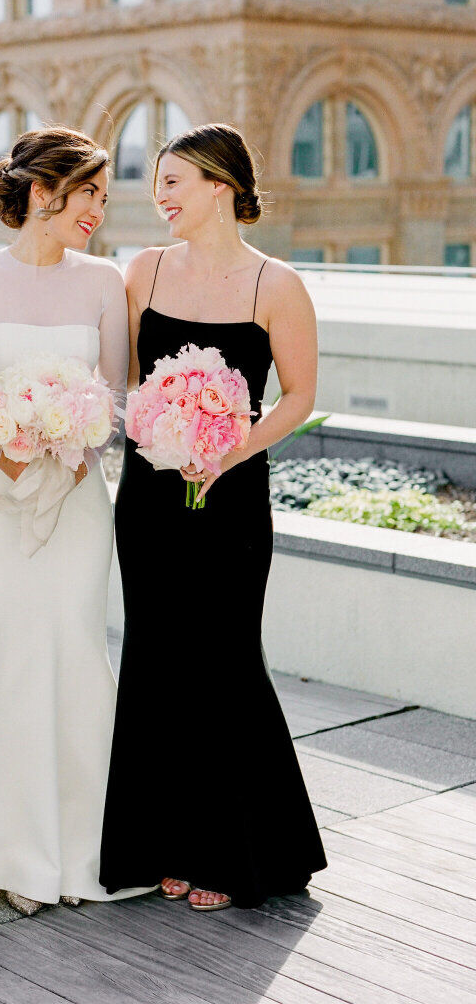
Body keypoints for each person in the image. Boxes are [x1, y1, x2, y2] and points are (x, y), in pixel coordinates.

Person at [0, 126, 152, 924]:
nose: (97, 207)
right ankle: (6, 846)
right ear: (42, 192)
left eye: (102, 195)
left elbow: (115, 398)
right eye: (87, 191)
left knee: (74, 647)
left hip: (79, 496)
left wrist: (69, 440)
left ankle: (79, 842)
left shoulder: (104, 281)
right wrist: (2, 441)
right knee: (0, 650)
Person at [100, 123, 327, 911]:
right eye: (157, 183)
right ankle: (160, 841)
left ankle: (236, 854)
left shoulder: (278, 285)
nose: (159, 197)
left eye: (174, 182)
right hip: (150, 497)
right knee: (157, 657)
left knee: (225, 658)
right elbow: (127, 382)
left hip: (232, 497)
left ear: (221, 185)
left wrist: (229, 447)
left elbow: (298, 395)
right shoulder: (144, 271)